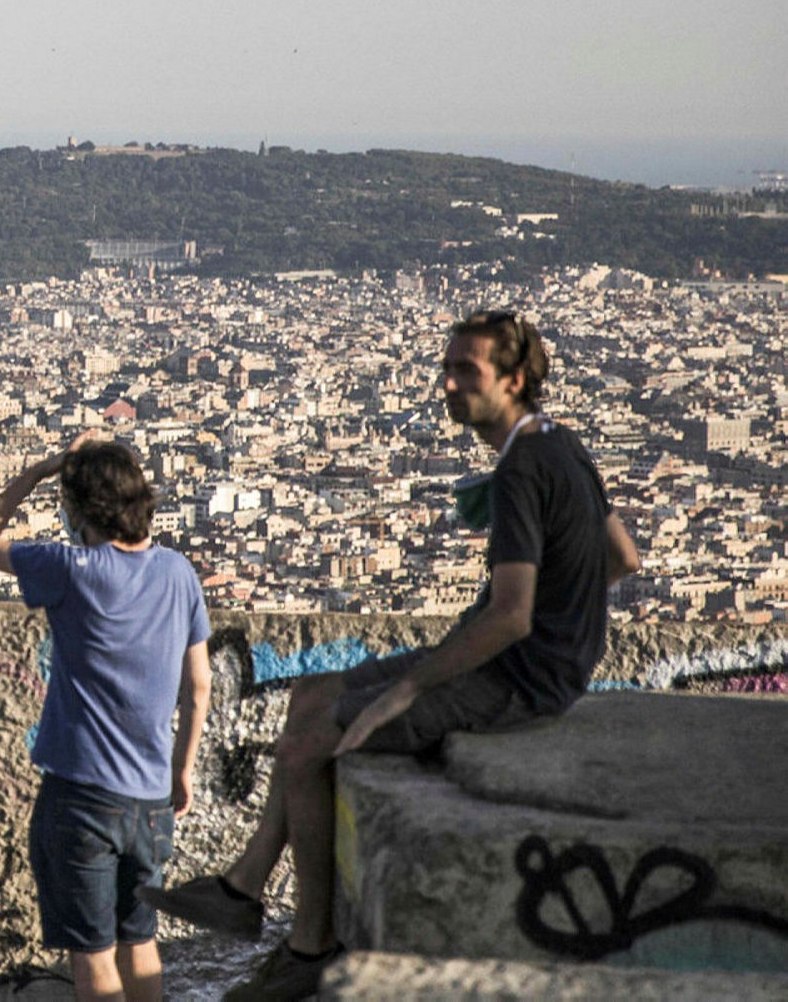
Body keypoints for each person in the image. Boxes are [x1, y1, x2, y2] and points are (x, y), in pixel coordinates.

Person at [140, 310, 642, 1002]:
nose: (448, 383)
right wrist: (570, 611)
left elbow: (509, 615)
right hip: (535, 662)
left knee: (307, 746)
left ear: (515, 380)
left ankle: (308, 942)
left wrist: (406, 692)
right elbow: (623, 556)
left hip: (515, 679)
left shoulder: (524, 467)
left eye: (466, 369)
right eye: (448, 366)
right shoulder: (564, 445)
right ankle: (244, 886)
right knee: (310, 692)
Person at [0, 437, 211, 1002]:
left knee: (93, 960)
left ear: (80, 512)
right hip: (151, 801)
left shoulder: (71, 569)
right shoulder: (179, 573)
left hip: (81, 799)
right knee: (141, 944)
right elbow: (198, 686)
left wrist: (38, 471)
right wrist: (182, 770)